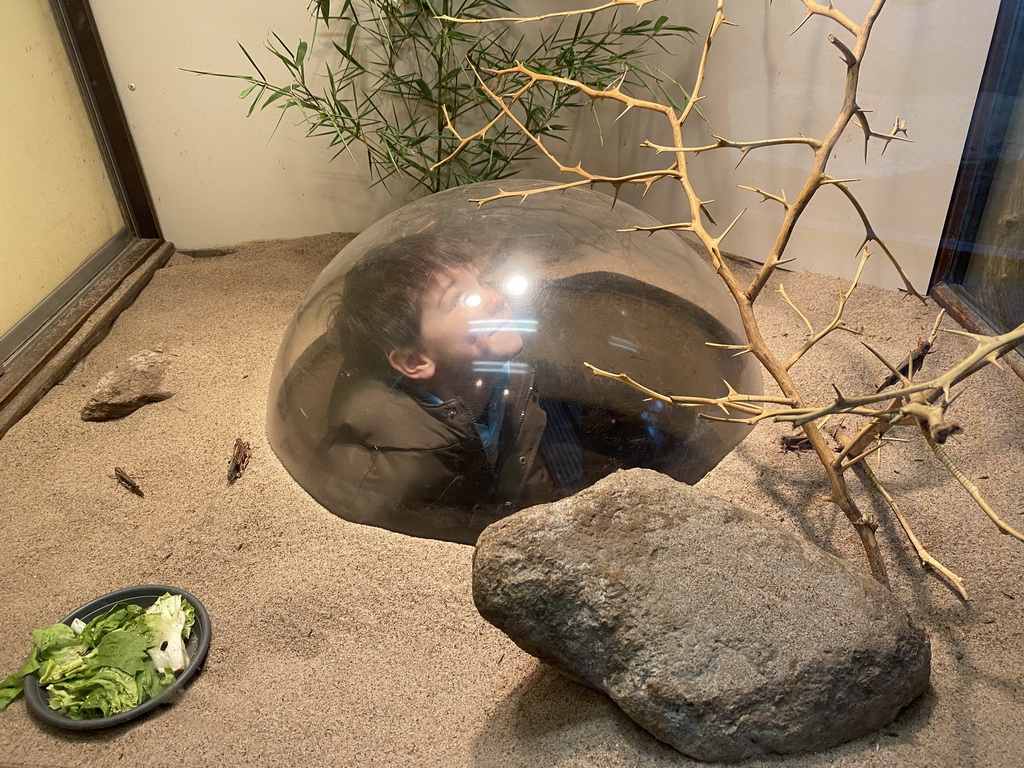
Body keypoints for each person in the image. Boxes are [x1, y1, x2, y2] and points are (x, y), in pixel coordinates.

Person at [318, 234, 569, 542]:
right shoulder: (390, 469)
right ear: (414, 359)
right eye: (460, 299)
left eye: (480, 281)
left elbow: (527, 483)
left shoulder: (509, 383)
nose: (495, 298)